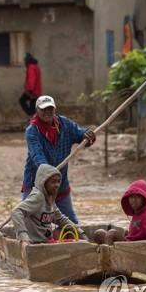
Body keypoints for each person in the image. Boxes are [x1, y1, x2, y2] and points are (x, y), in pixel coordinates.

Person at [21, 95, 96, 224]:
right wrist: (48, 173)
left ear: (54, 109)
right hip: (35, 185)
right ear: (37, 111)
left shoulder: (65, 124)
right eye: (43, 109)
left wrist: (88, 135)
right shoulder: (32, 131)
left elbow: (81, 136)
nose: (47, 112)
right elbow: (37, 156)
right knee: (29, 222)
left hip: (59, 185)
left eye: (50, 109)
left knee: (70, 224)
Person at [11, 164, 87, 244]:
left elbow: (61, 219)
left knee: (65, 230)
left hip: (46, 241)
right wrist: (23, 235)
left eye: (58, 182)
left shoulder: (50, 198)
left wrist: (80, 232)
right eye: (53, 182)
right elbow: (16, 212)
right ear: (43, 182)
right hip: (34, 243)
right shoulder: (38, 197)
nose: (57, 185)